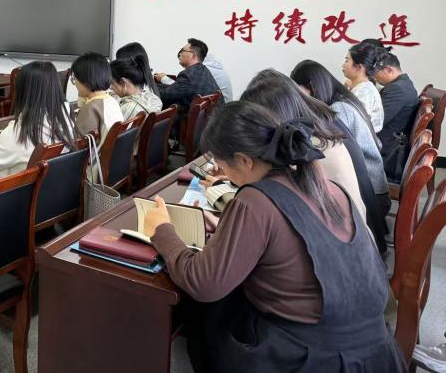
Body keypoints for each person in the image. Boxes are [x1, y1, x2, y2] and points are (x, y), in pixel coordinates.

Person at [142, 101, 405, 372]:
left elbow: (204, 283)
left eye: (222, 166)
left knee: (208, 314)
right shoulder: (326, 186)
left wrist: (162, 230)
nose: (224, 175)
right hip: (377, 353)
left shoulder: (255, 201)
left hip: (313, 359)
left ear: (244, 160)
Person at [241, 69, 386, 251]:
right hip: (358, 241)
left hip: (339, 250)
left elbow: (270, 204)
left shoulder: (305, 149)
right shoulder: (322, 131)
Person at [291, 60, 389, 221]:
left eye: (301, 92)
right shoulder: (344, 100)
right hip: (371, 186)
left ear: (312, 87)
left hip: (370, 195)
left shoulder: (339, 109)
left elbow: (331, 153)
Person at [0, 61, 75, 181]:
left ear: (25, 92)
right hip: (46, 188)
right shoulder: (65, 120)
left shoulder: (23, 130)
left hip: (9, 190)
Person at [374, 49, 419, 182]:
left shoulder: (397, 89)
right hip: (390, 142)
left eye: (375, 73)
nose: (374, 77)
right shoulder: (404, 84)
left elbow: (377, 121)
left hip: (386, 150)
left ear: (388, 70)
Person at [71, 52, 123, 145]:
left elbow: (77, 144)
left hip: (97, 154)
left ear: (86, 80)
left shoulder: (91, 108)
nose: (75, 84)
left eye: (75, 79)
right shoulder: (112, 100)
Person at [154, 38, 222, 111]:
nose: (180, 54)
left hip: (186, 115)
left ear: (192, 55)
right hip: (210, 116)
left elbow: (164, 95)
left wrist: (147, 87)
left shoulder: (187, 75)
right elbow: (175, 88)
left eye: (183, 51)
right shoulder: (203, 70)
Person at [342, 42, 384, 132]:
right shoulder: (360, 87)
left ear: (359, 67)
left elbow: (352, 124)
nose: (343, 65)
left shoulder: (365, 93)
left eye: (347, 61)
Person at [109, 55, 163, 120]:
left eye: (112, 83)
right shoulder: (153, 99)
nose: (111, 87)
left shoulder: (128, 108)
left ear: (123, 82)